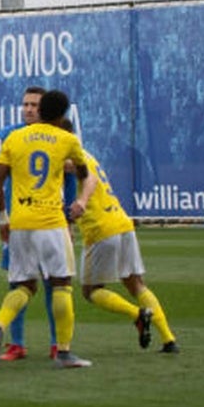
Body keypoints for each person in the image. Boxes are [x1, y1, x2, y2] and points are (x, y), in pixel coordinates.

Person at [0, 90, 98, 369]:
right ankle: (63, 352)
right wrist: (79, 203)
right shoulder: (67, 139)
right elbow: (85, 175)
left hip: (20, 223)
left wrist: (3, 219)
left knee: (23, 285)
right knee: (61, 285)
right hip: (51, 222)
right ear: (62, 116)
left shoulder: (14, 137)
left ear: (40, 110)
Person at [62, 120, 179, 354]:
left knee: (91, 291)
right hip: (122, 222)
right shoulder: (87, 154)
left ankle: (137, 314)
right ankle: (169, 339)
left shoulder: (67, 157)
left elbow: (88, 179)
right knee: (136, 284)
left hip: (100, 228)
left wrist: (80, 204)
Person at [0, 86, 58, 362]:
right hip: (19, 221)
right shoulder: (10, 135)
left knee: (52, 283)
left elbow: (66, 178)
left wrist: (67, 218)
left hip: (49, 220)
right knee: (17, 280)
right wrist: (3, 217)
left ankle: (57, 343)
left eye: (34, 105)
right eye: (26, 104)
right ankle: (16, 344)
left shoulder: (57, 137)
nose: (29, 109)